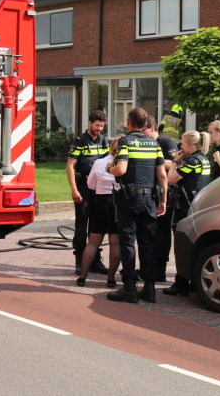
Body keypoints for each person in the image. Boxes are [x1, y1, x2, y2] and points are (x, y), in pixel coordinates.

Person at [106, 108, 168, 304]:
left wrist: (110, 168)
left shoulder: (125, 142)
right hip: (150, 199)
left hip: (129, 200)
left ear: (129, 122)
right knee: (147, 242)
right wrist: (163, 201)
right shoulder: (154, 144)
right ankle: (149, 289)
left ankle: (129, 287)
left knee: (127, 242)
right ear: (146, 125)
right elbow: (162, 175)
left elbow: (121, 169)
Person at [163, 131, 211, 297]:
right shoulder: (205, 160)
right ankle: (192, 281)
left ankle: (180, 283)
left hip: (184, 208)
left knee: (182, 246)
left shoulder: (190, 161)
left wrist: (176, 161)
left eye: (182, 144)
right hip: (198, 207)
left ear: (191, 146)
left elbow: (170, 179)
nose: (180, 147)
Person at [66, 110, 110, 276]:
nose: (99, 129)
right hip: (84, 187)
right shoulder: (80, 141)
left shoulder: (103, 140)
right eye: (97, 125)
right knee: (82, 225)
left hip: (99, 188)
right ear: (89, 123)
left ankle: (95, 260)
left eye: (102, 126)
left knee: (97, 225)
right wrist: (74, 189)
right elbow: (70, 166)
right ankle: (79, 260)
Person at [76, 135, 123, 288]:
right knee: (115, 244)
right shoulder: (126, 164)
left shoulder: (99, 162)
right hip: (117, 204)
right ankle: (111, 279)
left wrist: (101, 187)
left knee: (93, 242)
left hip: (100, 202)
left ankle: (82, 276)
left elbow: (90, 184)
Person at [143, 116, 178, 282]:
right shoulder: (145, 143)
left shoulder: (166, 142)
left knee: (162, 232)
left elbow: (173, 163)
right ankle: (148, 267)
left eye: (143, 130)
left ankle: (160, 269)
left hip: (163, 192)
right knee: (149, 231)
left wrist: (152, 160)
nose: (141, 133)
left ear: (151, 128)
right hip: (150, 192)